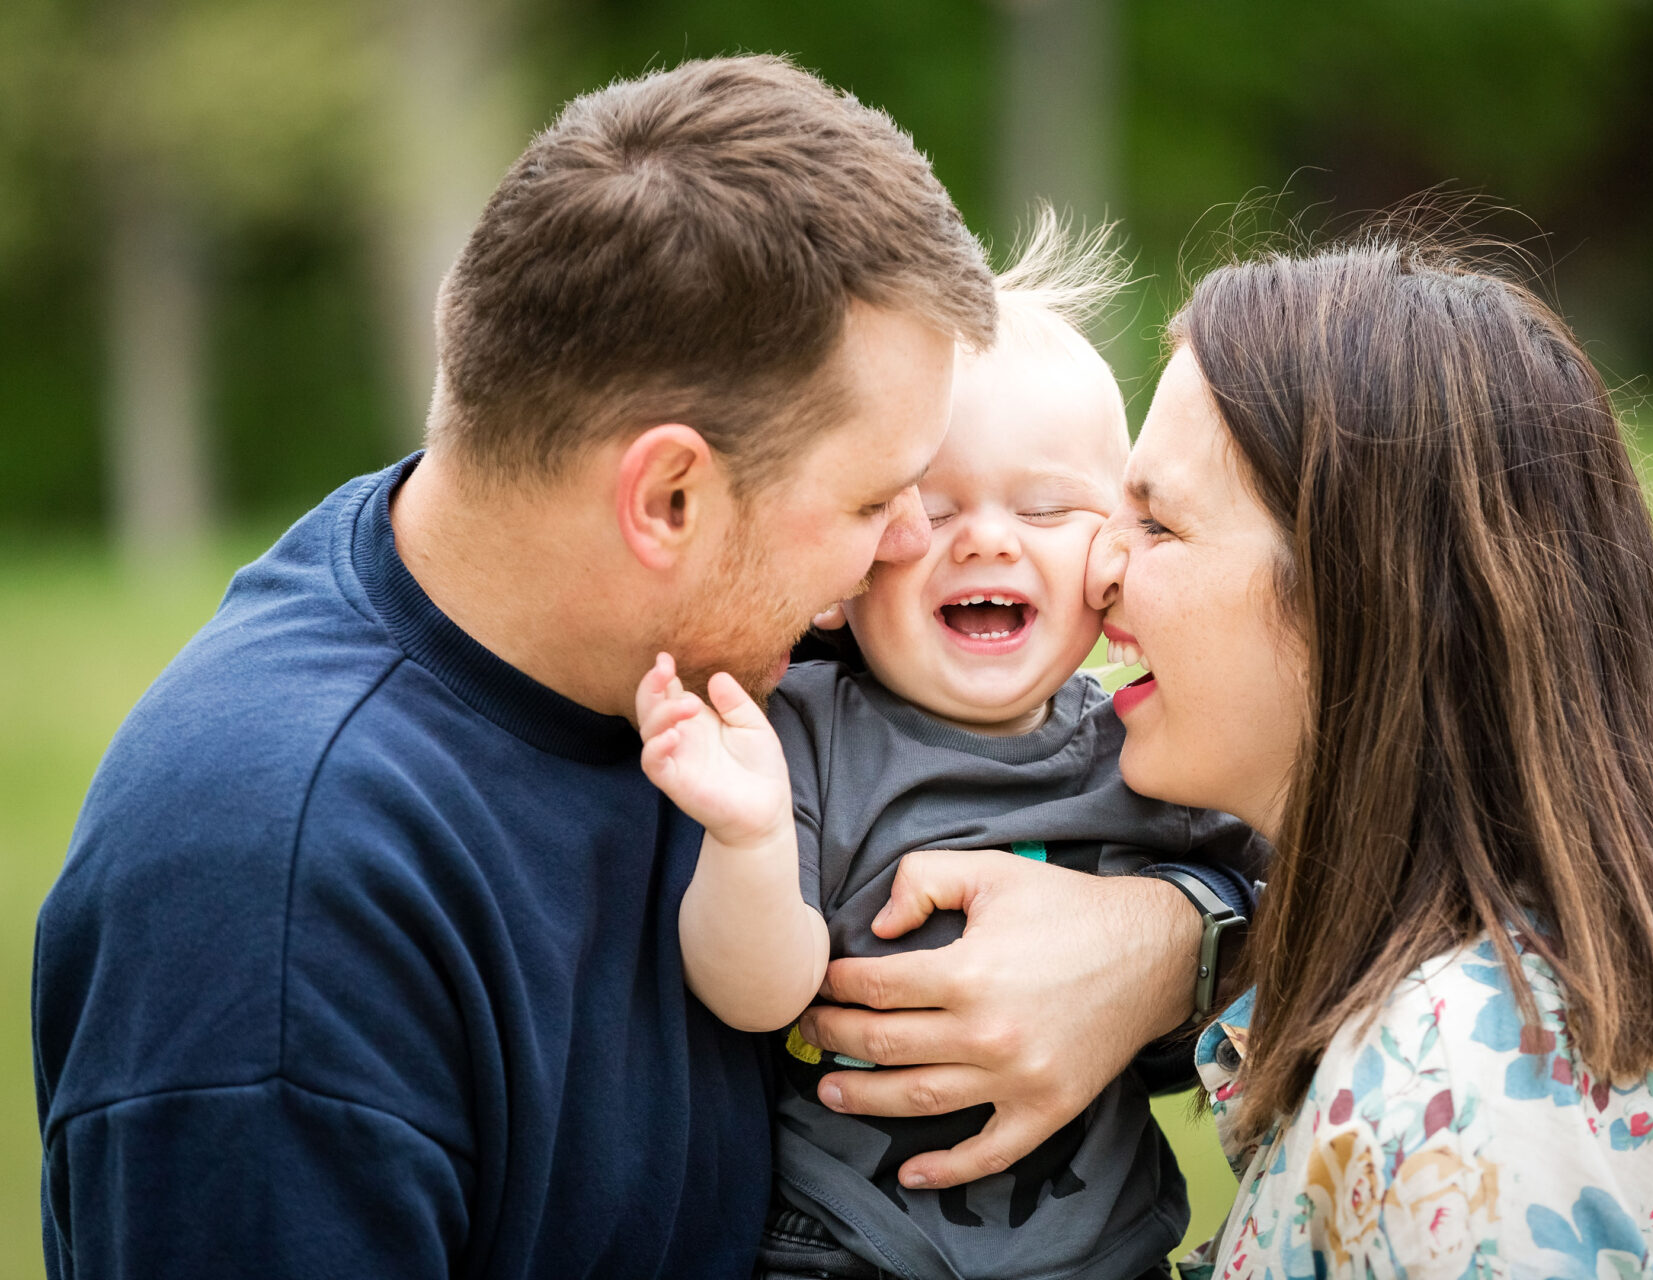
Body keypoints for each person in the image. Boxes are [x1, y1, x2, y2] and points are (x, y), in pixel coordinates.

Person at [33, 58, 1241, 1279]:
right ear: (667, 497)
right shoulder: (276, 914)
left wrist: (1166, 940)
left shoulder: (698, 617)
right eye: (883, 497)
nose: (917, 548)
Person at [1083, 237, 1653, 1279]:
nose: (1095, 565)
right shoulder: (1544, 1015)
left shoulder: (1458, 1114)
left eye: (1158, 522)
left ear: (1361, 595)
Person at [636, 217, 1263, 1280]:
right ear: (850, 564)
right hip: (844, 1250)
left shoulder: (1151, 751)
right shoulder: (803, 735)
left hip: (1105, 1255)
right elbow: (752, 991)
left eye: (1050, 505)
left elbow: (1260, 973)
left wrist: (1188, 947)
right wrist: (744, 839)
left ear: (1113, 553)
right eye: (928, 507)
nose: (986, 537)